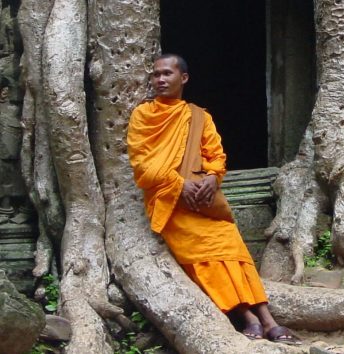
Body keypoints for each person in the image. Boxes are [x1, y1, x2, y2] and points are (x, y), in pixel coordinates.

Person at [127, 54, 301, 345]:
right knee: (206, 257)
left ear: (183, 78)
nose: (160, 80)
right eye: (156, 75)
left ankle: (267, 319)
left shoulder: (198, 117)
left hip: (203, 201)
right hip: (171, 204)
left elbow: (215, 156)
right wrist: (177, 184)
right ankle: (248, 317)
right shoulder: (143, 116)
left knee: (232, 248)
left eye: (167, 74)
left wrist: (211, 178)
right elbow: (141, 165)